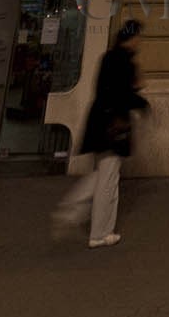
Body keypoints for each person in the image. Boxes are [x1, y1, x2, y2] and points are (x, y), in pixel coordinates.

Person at [52, 19, 148, 248]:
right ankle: (98, 232)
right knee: (108, 180)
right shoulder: (123, 61)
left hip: (101, 123)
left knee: (104, 175)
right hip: (113, 126)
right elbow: (122, 94)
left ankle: (76, 213)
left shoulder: (110, 57)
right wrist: (142, 103)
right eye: (138, 37)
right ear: (131, 38)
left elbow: (108, 90)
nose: (139, 41)